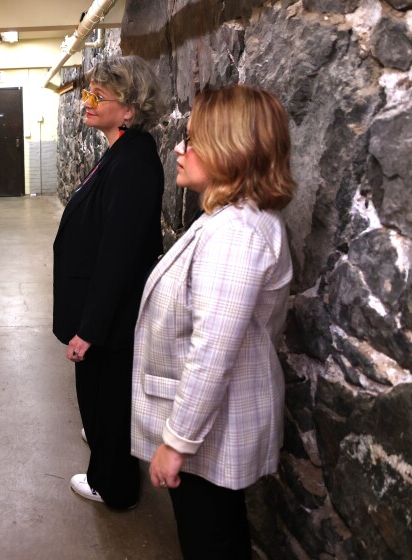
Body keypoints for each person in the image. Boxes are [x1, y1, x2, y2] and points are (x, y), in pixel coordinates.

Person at [130, 85, 296, 558]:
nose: (179, 150)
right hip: (214, 424)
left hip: (209, 431)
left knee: (211, 539)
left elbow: (212, 352)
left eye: (194, 140)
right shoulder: (233, 219)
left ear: (233, 150)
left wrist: (175, 443)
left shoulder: (235, 235)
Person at [52, 55, 165, 509]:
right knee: (102, 397)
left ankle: (111, 484)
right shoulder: (120, 154)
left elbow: (118, 255)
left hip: (108, 322)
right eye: (88, 92)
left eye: (101, 95)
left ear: (130, 109)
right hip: (102, 313)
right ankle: (105, 451)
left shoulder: (134, 164)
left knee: (107, 397)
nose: (89, 101)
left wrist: (89, 330)